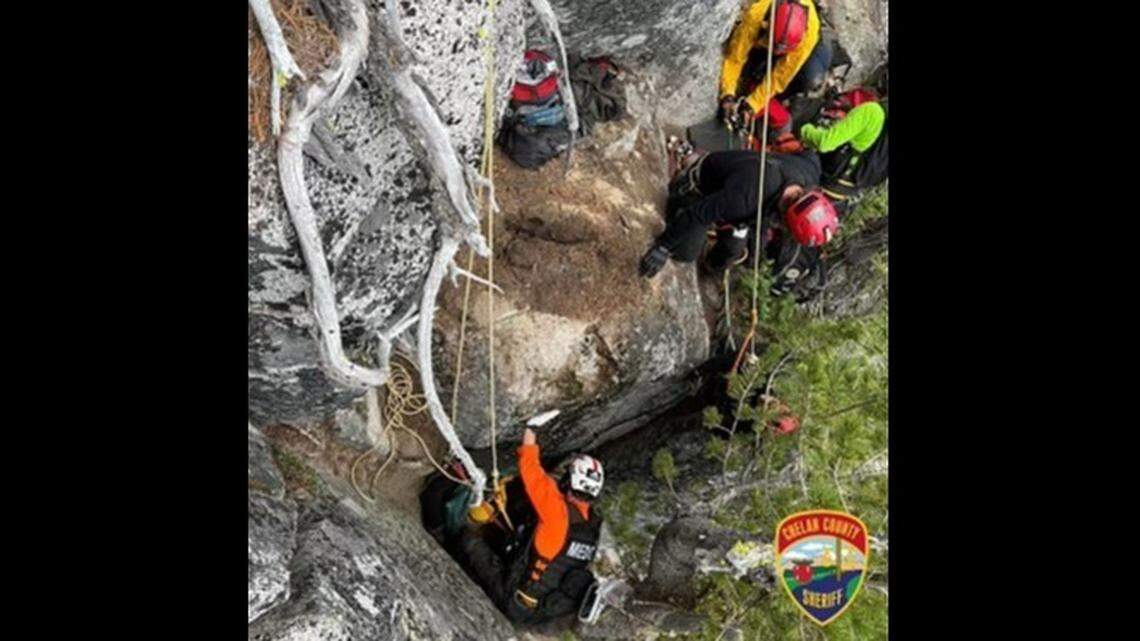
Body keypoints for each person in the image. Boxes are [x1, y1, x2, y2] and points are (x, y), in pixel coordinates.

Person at [459, 428, 605, 625]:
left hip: (512, 598)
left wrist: (530, 431)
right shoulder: (591, 525)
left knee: (468, 539)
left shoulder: (557, 512)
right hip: (540, 611)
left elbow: (531, 470)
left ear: (569, 480)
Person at [639, 148, 838, 278]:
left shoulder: (809, 173)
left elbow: (810, 155)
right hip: (704, 184)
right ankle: (683, 190)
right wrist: (662, 247)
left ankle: (710, 268)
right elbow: (698, 214)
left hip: (742, 183)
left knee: (735, 250)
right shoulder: (746, 199)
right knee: (685, 252)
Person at [719, 0, 832, 134]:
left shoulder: (807, 36)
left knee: (811, 77)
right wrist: (728, 94)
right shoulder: (755, 16)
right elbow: (734, 58)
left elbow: (779, 77)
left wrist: (753, 105)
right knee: (753, 62)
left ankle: (778, 99)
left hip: (803, 43)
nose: (776, 53)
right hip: (765, 35)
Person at [799, 86, 888, 214]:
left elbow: (824, 142)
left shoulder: (873, 112)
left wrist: (804, 129)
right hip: (845, 195)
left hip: (826, 177)